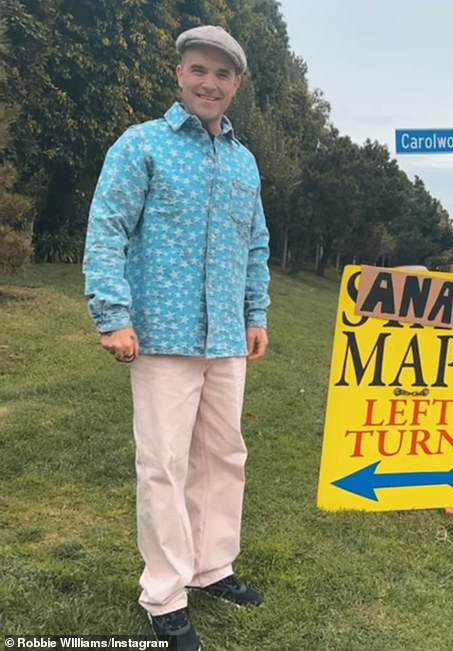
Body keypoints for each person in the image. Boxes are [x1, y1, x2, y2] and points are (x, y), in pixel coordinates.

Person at [83, 25, 270, 651]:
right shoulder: (142, 146)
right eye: (198, 70)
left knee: (224, 456)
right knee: (163, 463)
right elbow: (107, 228)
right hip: (160, 334)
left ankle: (212, 566)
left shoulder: (244, 162)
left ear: (236, 84)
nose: (209, 83)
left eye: (222, 74)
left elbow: (255, 244)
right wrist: (113, 316)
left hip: (225, 339)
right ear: (179, 75)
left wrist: (256, 312)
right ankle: (165, 592)